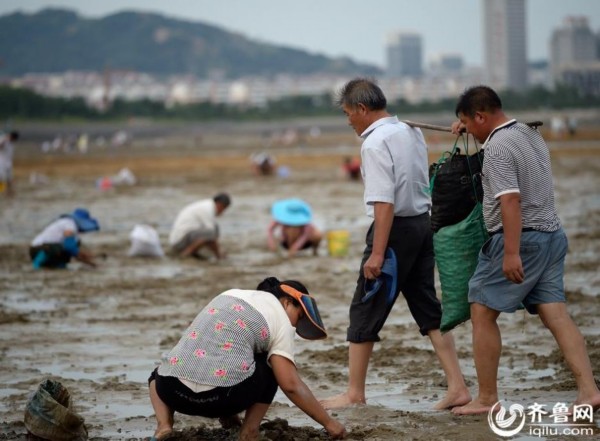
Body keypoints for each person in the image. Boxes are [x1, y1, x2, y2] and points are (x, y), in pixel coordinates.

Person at [320, 78, 470, 411]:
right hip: (422, 225)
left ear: (362, 109)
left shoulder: (374, 143)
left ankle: (354, 393)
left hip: (395, 232)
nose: (348, 121)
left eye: (348, 114)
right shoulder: (410, 131)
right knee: (428, 308)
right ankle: (458, 386)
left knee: (364, 307)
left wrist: (377, 253)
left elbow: (384, 203)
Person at [449, 85, 600, 415]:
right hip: (551, 235)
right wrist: (469, 130)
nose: (467, 128)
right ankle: (589, 391)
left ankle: (487, 398)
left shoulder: (499, 149)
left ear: (481, 116)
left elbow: (510, 200)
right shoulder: (528, 133)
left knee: (481, 310)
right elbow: (496, 145)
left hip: (522, 239)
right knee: (555, 314)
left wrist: (511, 253)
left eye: (468, 121)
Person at [147, 276, 346, 441]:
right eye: (299, 316)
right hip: (223, 397)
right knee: (271, 366)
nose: (295, 324)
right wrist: (330, 424)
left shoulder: (228, 294)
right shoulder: (281, 319)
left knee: (161, 371)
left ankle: (164, 427)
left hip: (172, 391)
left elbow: (210, 352)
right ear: (286, 302)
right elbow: (291, 384)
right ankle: (249, 432)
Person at [29, 208, 100, 269]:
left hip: (48, 251)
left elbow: (74, 252)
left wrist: (92, 264)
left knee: (69, 248)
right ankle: (36, 265)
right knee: (62, 248)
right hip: (38, 249)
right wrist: (80, 254)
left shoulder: (71, 229)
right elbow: (69, 247)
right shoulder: (69, 223)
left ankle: (58, 266)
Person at [168, 193, 231, 260]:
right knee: (210, 233)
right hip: (179, 241)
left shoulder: (207, 205)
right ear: (220, 204)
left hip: (184, 237)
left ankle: (192, 252)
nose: (222, 212)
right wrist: (218, 253)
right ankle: (185, 254)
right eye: (223, 209)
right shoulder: (207, 208)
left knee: (213, 230)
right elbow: (211, 235)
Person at [0, 130, 19, 197]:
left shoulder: (11, 143)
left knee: (9, 178)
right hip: (1, 162)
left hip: (9, 163)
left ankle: (9, 191)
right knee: (1, 178)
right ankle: (1, 191)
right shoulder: (4, 140)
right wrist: (5, 139)